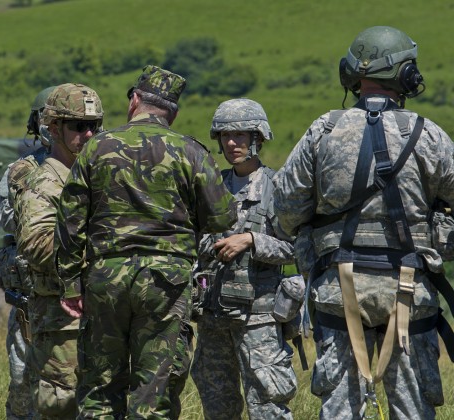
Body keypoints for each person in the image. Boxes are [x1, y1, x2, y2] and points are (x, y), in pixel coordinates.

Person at [274, 26, 454, 419]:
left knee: (339, 410)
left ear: (352, 74)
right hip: (408, 292)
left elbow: (285, 211)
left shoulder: (323, 131)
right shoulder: (428, 135)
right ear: (406, 75)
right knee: (413, 410)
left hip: (338, 290)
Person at [55, 65, 236, 419]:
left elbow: (70, 220)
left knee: (100, 387)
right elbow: (223, 218)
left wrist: (70, 284)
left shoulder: (96, 148)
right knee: (155, 390)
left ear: (135, 100)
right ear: (173, 112)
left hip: (106, 279)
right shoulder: (191, 152)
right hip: (165, 283)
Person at [190, 98, 298, 419]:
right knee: (217, 408)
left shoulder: (278, 187)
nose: (232, 143)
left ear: (258, 138)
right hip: (212, 318)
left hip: (259, 321)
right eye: (225, 136)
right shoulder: (211, 187)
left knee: (267, 408)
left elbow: (297, 247)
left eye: (240, 135)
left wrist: (251, 240)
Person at [14, 83, 103, 418]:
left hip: (98, 312)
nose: (89, 133)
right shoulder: (44, 182)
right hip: (60, 319)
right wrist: (96, 245)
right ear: (54, 129)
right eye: (79, 126)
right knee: (61, 406)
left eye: (95, 126)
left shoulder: (92, 176)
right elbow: (36, 244)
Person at [0, 85, 55, 420]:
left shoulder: (92, 164)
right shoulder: (22, 168)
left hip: (77, 289)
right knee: (22, 375)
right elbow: (6, 216)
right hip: (28, 289)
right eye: (45, 116)